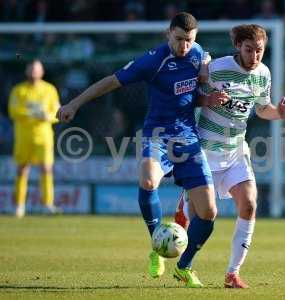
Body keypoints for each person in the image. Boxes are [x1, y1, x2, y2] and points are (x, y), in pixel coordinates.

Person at [56, 12, 229, 288]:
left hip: (187, 139)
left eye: (190, 40)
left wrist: (207, 97)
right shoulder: (152, 61)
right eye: (179, 39)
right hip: (157, 136)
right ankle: (156, 244)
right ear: (167, 34)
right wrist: (74, 104)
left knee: (209, 212)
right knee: (148, 180)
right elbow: (110, 82)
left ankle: (184, 268)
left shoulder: (197, 54)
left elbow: (188, 95)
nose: (185, 46)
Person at [174, 24, 285, 288]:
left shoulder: (263, 73)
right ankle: (184, 262)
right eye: (249, 49)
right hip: (205, 151)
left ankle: (232, 273)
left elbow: (263, 109)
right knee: (201, 219)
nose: (254, 56)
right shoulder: (217, 68)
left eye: (259, 50)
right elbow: (188, 96)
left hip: (235, 151)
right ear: (238, 47)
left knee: (250, 204)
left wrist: (280, 113)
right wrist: (206, 96)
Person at [8, 59, 61, 218]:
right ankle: (19, 206)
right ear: (26, 72)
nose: (33, 72)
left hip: (43, 136)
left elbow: (57, 113)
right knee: (22, 169)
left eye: (36, 70)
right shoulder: (18, 90)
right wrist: (32, 114)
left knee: (46, 168)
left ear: (42, 72)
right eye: (31, 69)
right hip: (23, 136)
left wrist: (48, 116)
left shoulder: (49, 90)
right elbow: (13, 111)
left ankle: (47, 204)